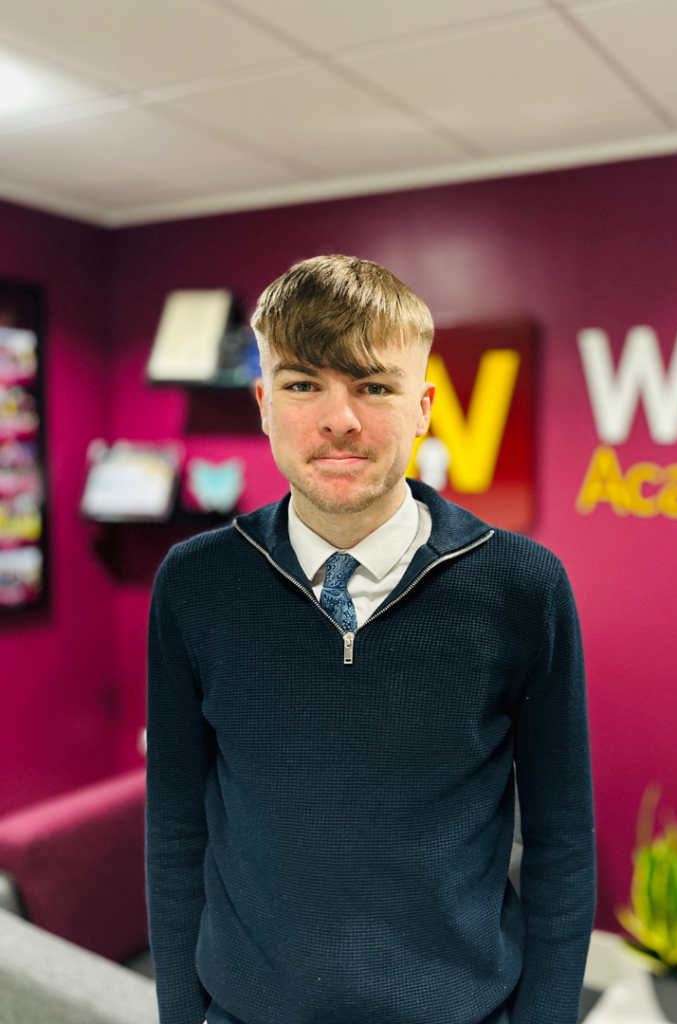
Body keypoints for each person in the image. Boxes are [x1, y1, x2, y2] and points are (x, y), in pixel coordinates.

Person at [145, 255, 596, 1024]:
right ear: (263, 402)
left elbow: (563, 845)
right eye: (303, 384)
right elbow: (175, 829)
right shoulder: (195, 585)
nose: (339, 418)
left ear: (423, 407)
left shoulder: (523, 588)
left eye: (373, 386)